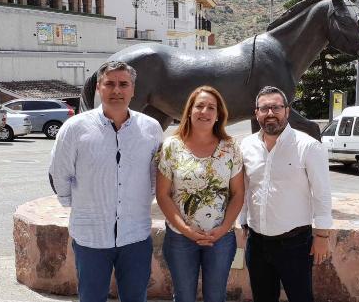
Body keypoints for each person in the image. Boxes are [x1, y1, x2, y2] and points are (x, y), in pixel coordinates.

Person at [49, 61, 163, 302]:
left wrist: (141, 201)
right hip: (91, 235)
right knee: (91, 297)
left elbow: (155, 176)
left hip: (135, 235)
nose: (116, 90)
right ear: (99, 88)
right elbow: (60, 173)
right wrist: (79, 206)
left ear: (133, 89)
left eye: (124, 84)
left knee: (135, 297)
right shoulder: (75, 128)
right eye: (109, 84)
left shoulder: (151, 129)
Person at [239, 86, 333, 302]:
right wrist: (243, 221)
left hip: (295, 244)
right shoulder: (246, 146)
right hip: (257, 243)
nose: (270, 113)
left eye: (276, 107)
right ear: (257, 113)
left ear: (287, 111)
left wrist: (322, 236)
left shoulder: (308, 146)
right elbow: (245, 187)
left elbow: (322, 193)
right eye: (264, 108)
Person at [156, 85, 244, 302]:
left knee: (216, 297)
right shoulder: (171, 146)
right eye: (199, 106)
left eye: (211, 107)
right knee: (184, 297)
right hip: (180, 238)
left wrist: (223, 229)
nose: (204, 111)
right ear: (189, 111)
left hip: (220, 239)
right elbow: (163, 194)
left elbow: (238, 193)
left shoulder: (230, 148)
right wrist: (186, 229)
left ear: (218, 115)